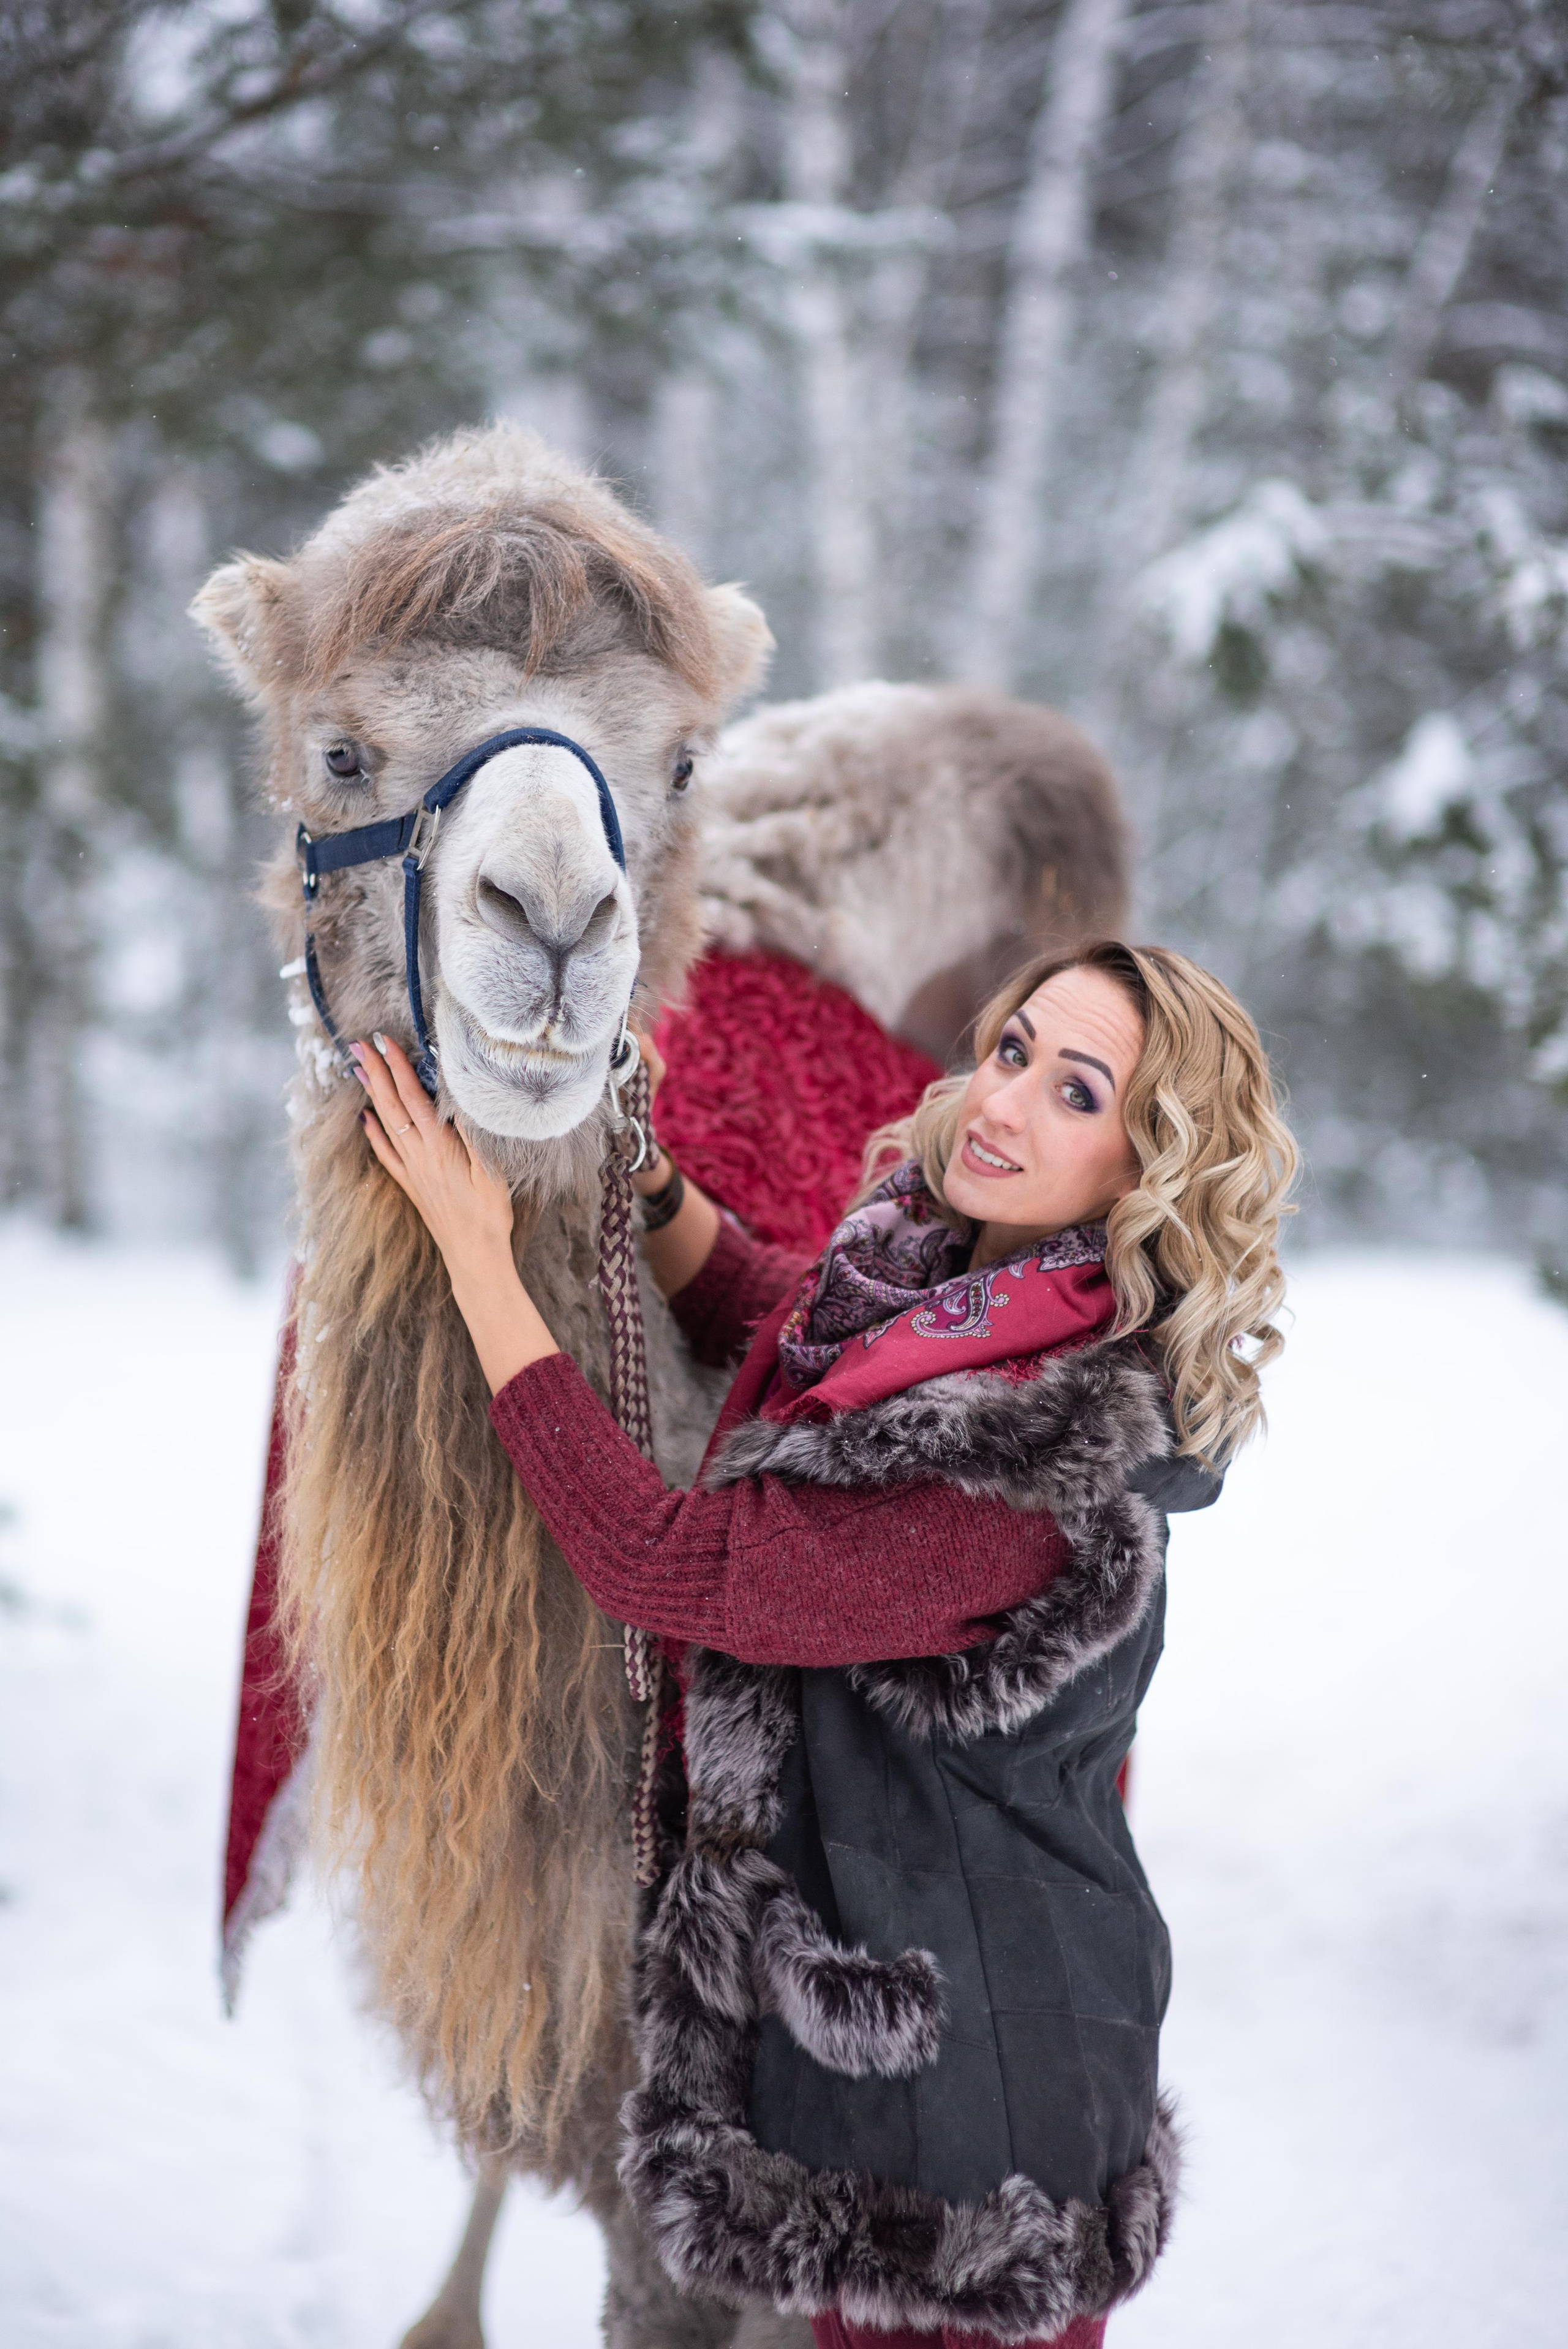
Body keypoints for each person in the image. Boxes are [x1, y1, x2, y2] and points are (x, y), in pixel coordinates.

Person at [349, 939, 1297, 2349]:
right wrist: (648, 1175)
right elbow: (766, 1311)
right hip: (925, 2011)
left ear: (1142, 1167)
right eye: (1015, 1049)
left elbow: (659, 1565)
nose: (1004, 1101)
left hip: (975, 2127)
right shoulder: (944, 1293)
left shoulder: (1026, 1460)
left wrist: (479, 1257)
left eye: (1075, 1093)